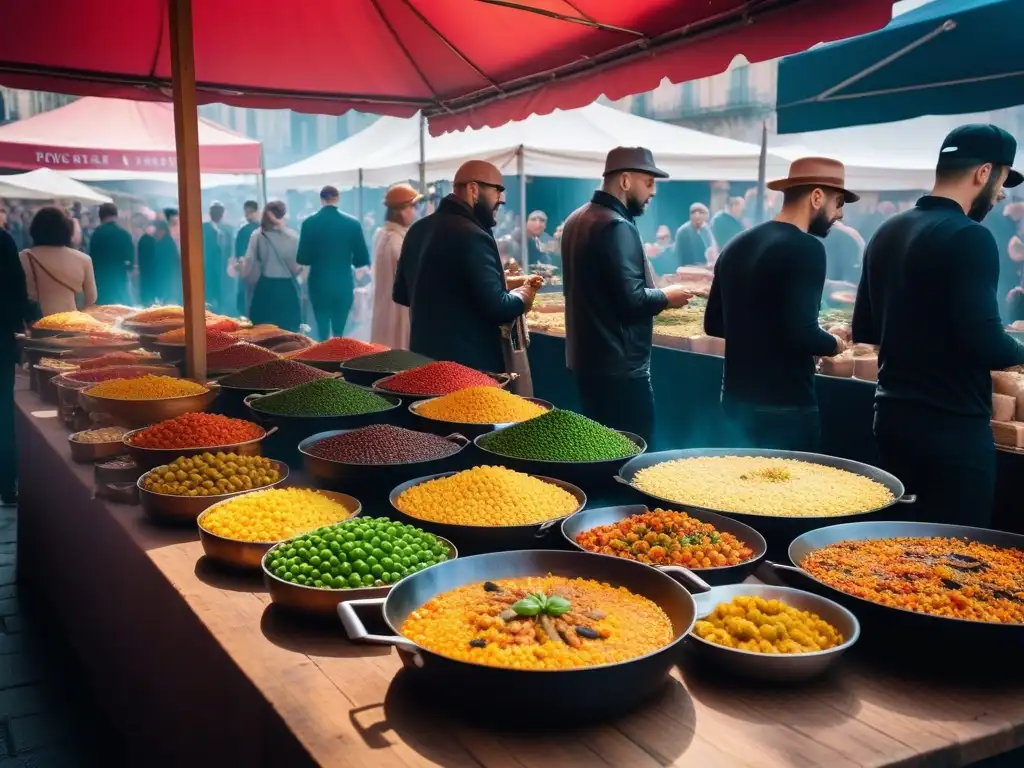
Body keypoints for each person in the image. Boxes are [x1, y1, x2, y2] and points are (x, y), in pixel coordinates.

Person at [853, 124, 1024, 528]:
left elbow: (865, 328)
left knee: (897, 544)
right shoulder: (970, 237)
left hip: (891, 418)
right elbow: (986, 343)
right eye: (1001, 180)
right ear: (983, 173)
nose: (1001, 194)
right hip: (952, 428)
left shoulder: (887, 230)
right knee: (954, 554)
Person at [705, 157, 851, 453]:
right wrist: (834, 342)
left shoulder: (736, 244)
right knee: (790, 497)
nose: (840, 214)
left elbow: (714, 323)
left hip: (734, 402)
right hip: (786, 409)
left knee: (736, 494)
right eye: (838, 203)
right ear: (817, 197)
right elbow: (802, 334)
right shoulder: (808, 248)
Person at [562, 147, 693, 444]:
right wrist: (665, 296)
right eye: (648, 182)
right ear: (624, 181)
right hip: (619, 367)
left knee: (598, 447)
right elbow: (631, 300)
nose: (654, 192)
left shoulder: (575, 220)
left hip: (585, 360)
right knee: (635, 449)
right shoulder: (616, 225)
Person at [394, 160, 540, 371]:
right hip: (468, 369)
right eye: (498, 191)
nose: (501, 199)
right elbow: (499, 308)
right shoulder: (473, 235)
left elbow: (403, 295)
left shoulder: (418, 229)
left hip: (423, 363)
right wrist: (523, 295)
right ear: (473, 189)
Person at [297, 185, 370, 340]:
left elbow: (302, 258)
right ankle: (337, 357)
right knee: (339, 331)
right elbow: (361, 259)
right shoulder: (353, 224)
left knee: (322, 328)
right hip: (343, 282)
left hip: (318, 282)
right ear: (338, 199)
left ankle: (322, 358)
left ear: (321, 200)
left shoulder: (309, 223)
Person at [19, 206, 98, 316]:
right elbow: (91, 299)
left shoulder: (24, 257)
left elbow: (21, 294)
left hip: (39, 323)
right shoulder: (84, 259)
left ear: (34, 229)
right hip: (71, 322)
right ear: (65, 230)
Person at [0, 215, 30, 506]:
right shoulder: (3, 239)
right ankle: (6, 484)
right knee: (2, 413)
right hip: (0, 338)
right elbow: (16, 287)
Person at [371, 183, 422, 349]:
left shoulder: (381, 234)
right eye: (412, 207)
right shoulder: (396, 241)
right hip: (398, 313)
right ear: (399, 210)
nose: (414, 212)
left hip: (385, 312)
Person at [240, 201, 303, 332]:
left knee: (263, 331)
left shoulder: (257, 235)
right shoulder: (293, 237)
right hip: (287, 290)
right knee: (288, 332)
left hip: (265, 289)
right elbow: (297, 268)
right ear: (283, 215)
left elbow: (249, 264)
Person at [88, 203, 133, 305]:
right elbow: (130, 260)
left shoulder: (96, 234)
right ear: (116, 216)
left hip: (101, 282)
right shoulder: (124, 234)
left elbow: (91, 259)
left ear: (101, 217)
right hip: (120, 281)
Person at [202, 201, 233, 313]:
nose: (218, 214)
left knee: (223, 296)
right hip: (208, 268)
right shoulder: (203, 228)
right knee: (209, 295)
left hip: (224, 269)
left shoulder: (228, 229)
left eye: (220, 212)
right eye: (215, 212)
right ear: (210, 213)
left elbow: (231, 249)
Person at [232, 200, 260, 316]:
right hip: (263, 273)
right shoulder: (264, 229)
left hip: (248, 273)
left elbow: (239, 255)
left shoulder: (243, 231)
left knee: (248, 302)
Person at [150, 220, 181, 305]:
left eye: (157, 230)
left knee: (167, 301)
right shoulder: (168, 241)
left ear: (162, 230)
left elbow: (162, 261)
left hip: (166, 278)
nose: (155, 233)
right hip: (168, 277)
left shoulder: (164, 243)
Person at [673, 203, 713, 269]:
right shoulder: (684, 232)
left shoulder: (706, 230)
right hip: (687, 270)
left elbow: (710, 249)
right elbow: (679, 258)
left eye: (701, 214)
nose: (697, 217)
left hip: (704, 269)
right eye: (694, 214)